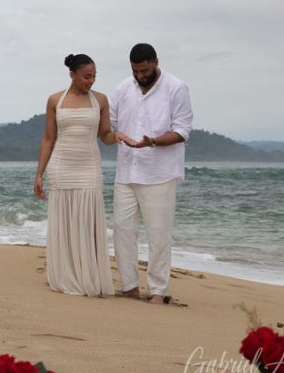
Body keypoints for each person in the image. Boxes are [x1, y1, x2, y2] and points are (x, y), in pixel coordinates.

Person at [109, 43, 193, 304]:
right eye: (135, 71)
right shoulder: (123, 89)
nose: (140, 75)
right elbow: (109, 126)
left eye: (144, 70)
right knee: (122, 231)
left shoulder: (176, 87)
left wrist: (152, 142)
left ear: (156, 62)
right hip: (126, 172)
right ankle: (130, 287)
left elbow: (182, 131)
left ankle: (158, 290)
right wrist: (116, 135)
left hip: (160, 173)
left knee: (158, 235)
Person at [34, 53, 117, 296]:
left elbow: (105, 135)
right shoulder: (55, 100)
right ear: (72, 74)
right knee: (65, 221)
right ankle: (66, 275)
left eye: (94, 77)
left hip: (89, 167)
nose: (90, 82)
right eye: (86, 77)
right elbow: (49, 139)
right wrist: (39, 174)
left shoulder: (100, 100)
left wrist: (119, 137)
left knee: (88, 222)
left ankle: (88, 276)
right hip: (61, 167)